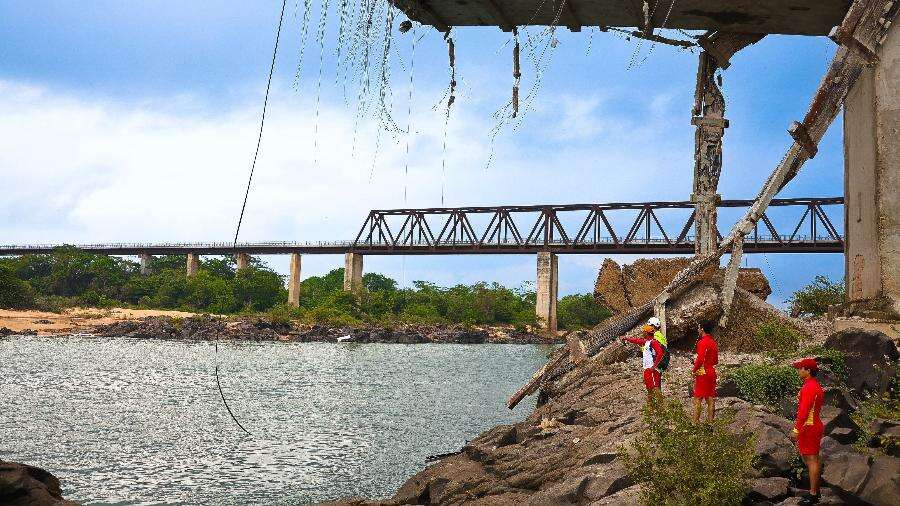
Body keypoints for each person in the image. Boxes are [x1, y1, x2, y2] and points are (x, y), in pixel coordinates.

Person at [791, 358, 824, 505]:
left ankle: (813, 495)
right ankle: (816, 491)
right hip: (813, 425)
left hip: (809, 427)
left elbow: (804, 412)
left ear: (808, 370)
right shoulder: (812, 385)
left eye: (800, 368)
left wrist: (796, 429)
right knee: (812, 459)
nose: (798, 371)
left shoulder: (809, 387)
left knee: (811, 460)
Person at [622, 324, 665, 404]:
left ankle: (661, 408)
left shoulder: (653, 342)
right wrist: (626, 338)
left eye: (643, 332)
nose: (642, 333)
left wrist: (654, 366)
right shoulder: (646, 342)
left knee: (655, 388)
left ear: (646, 333)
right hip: (647, 369)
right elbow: (636, 341)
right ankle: (651, 408)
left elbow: (660, 353)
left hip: (652, 369)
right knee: (649, 389)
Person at [692, 320, 719, 423]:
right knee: (710, 399)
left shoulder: (701, 342)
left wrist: (694, 370)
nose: (698, 330)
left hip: (703, 371)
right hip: (712, 371)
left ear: (702, 329)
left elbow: (700, 359)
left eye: (699, 327)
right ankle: (710, 424)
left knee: (698, 399)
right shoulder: (713, 342)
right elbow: (716, 361)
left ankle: (695, 423)